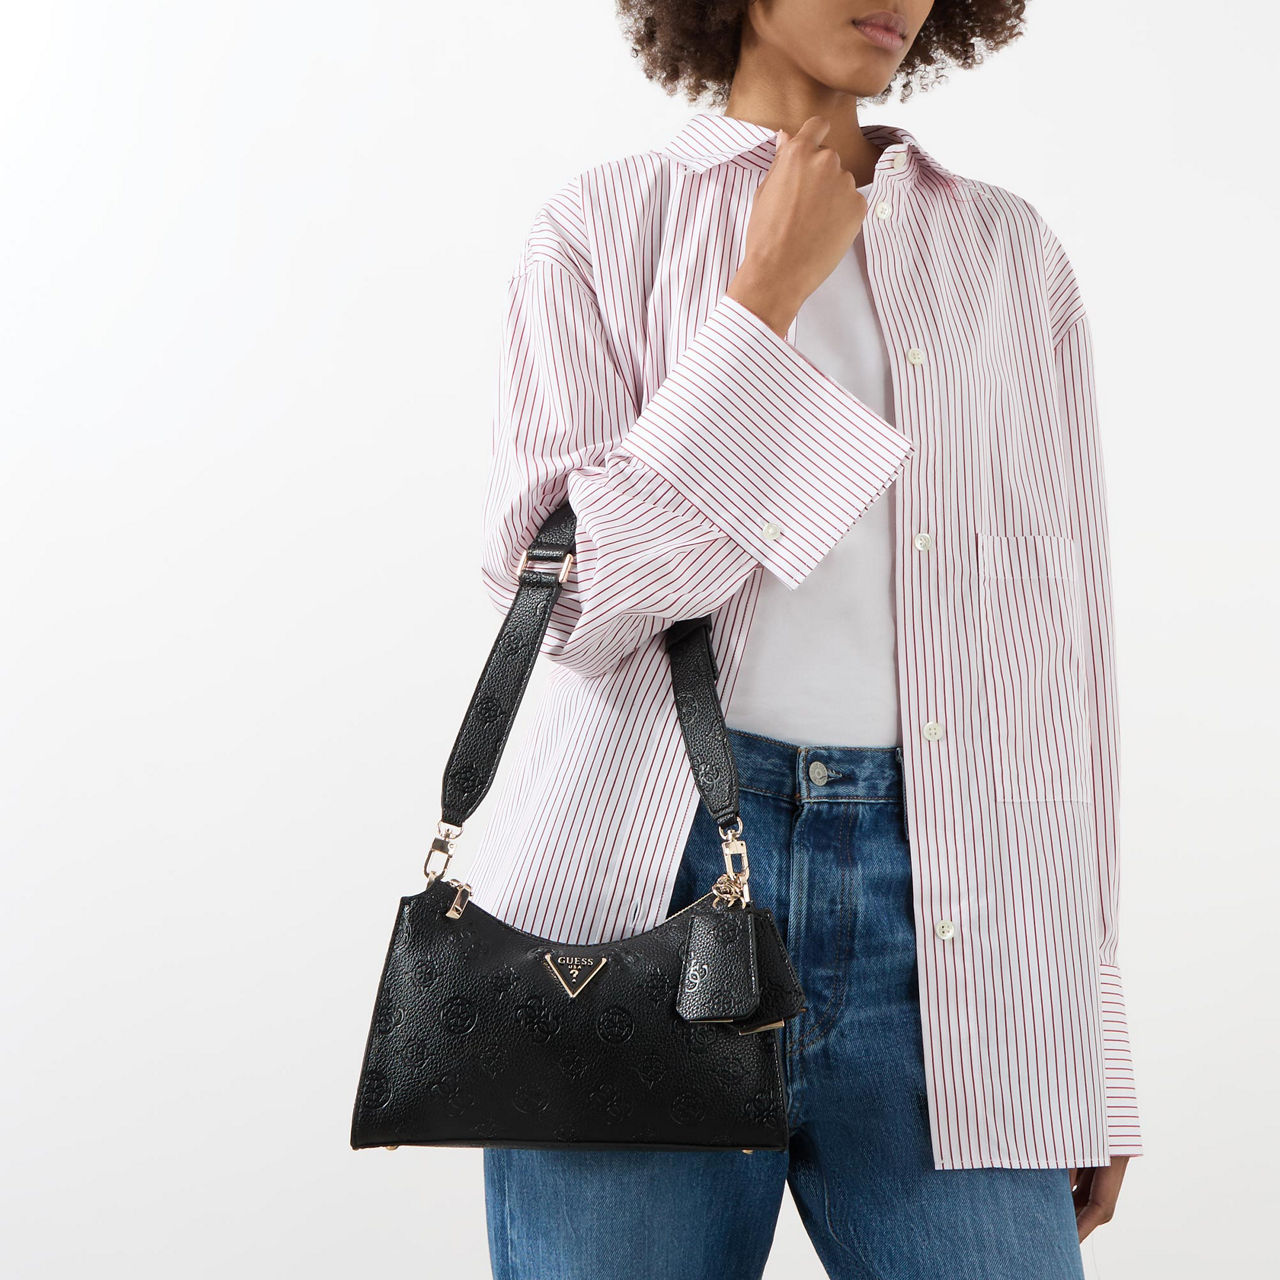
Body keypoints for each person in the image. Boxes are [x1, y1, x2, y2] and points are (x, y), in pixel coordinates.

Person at [468, 2, 1143, 1275]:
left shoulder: (1007, 255)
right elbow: (576, 602)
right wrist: (762, 299)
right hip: (633, 902)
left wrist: (1087, 1033)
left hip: (954, 920)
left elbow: (1063, 664)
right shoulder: (603, 227)